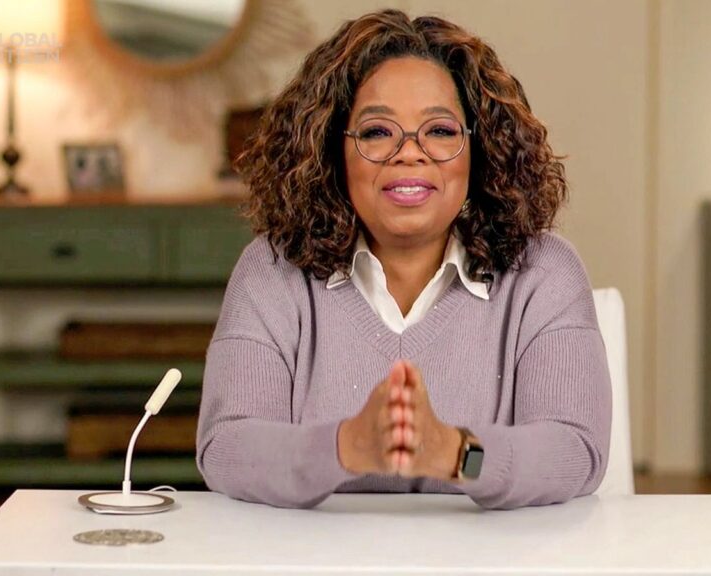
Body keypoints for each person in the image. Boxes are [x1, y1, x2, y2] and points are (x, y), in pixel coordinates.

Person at [196, 9, 612, 510]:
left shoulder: (544, 272)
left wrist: (453, 454)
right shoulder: (271, 270)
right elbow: (227, 447)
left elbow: (574, 451)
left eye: (440, 130)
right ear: (332, 150)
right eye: (376, 132)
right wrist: (348, 446)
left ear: (480, 151)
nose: (409, 154)